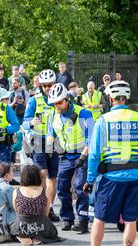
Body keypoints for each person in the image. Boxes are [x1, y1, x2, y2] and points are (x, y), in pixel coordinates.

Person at [83, 80, 138, 246]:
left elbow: (94, 155)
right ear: (126, 98)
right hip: (135, 177)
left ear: (110, 98)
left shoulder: (104, 120)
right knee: (130, 219)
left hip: (110, 178)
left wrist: (90, 180)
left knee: (99, 218)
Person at [48, 83, 94, 233]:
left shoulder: (84, 113)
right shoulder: (53, 115)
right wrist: (50, 148)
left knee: (81, 188)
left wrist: (83, 156)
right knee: (62, 188)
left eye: (60, 102)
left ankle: (82, 220)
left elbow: (91, 138)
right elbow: (51, 134)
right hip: (65, 156)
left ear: (67, 99)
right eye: (54, 103)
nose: (57, 106)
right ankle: (67, 218)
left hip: (82, 155)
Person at [23, 69, 60, 222]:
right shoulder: (34, 100)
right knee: (42, 173)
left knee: (53, 178)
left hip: (56, 142)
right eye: (44, 85)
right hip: (38, 141)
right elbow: (24, 122)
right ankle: (42, 206)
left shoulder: (60, 99)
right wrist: (30, 123)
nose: (47, 88)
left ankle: (49, 207)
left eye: (49, 85)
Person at [11, 165, 64, 245]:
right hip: (40, 226)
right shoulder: (44, 192)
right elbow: (46, 213)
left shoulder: (17, 191)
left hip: (22, 226)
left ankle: (23, 236)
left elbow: (17, 211)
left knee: (11, 227)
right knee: (51, 230)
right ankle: (38, 237)